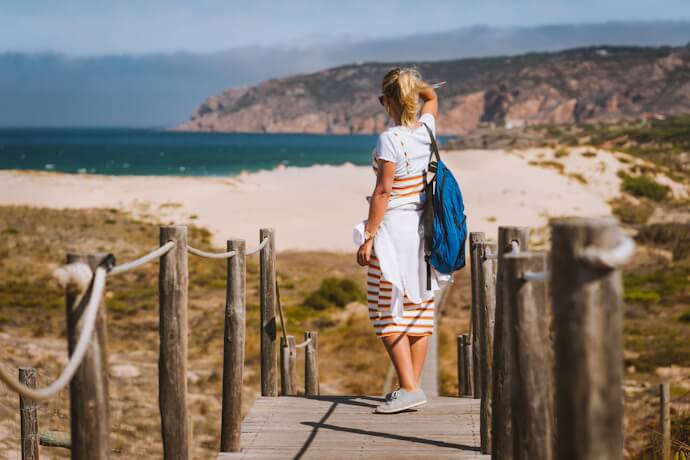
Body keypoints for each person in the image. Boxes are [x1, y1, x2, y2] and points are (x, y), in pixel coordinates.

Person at [354, 67, 449, 414]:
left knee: (384, 309)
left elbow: (383, 192)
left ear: (391, 101)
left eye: (383, 99)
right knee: (418, 308)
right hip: (423, 232)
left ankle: (409, 387)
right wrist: (413, 87)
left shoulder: (390, 139)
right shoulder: (426, 130)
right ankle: (412, 388)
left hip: (394, 232)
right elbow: (433, 97)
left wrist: (368, 236)